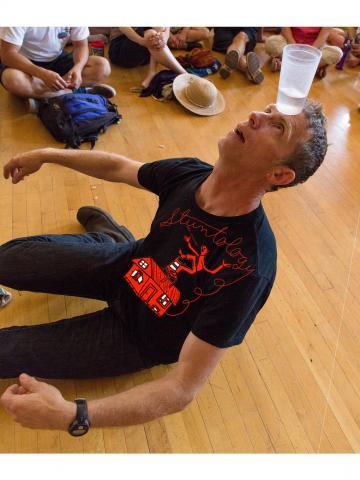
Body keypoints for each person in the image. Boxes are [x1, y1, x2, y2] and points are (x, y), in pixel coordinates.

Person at [0, 101, 328, 433]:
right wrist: (47, 154)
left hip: (137, 337)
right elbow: (118, 167)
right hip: (127, 267)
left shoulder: (249, 267)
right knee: (8, 260)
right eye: (268, 110)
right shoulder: (190, 173)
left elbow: (182, 388)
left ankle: (110, 238)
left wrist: (73, 415)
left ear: (279, 175)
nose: (257, 115)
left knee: (5, 352)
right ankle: (110, 240)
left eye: (278, 127)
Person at [0, 27, 115, 112]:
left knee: (102, 67)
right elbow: (7, 55)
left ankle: (43, 98)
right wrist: (42, 74)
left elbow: (81, 46)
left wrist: (78, 68)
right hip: (25, 62)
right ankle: (79, 92)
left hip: (57, 58)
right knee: (12, 79)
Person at [108, 27, 187, 88]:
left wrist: (164, 38)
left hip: (147, 51)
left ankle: (152, 72)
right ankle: (184, 74)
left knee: (153, 33)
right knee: (151, 34)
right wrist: (142, 41)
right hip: (120, 49)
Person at [265, 27, 343, 78]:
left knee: (337, 53)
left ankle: (286, 65)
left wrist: (309, 52)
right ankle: (309, 68)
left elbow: (323, 37)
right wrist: (294, 47)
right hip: (291, 44)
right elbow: (285, 29)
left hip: (313, 49)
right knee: (271, 42)